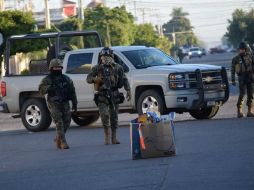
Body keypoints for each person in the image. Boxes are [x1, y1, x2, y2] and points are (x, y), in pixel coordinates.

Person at [86, 47, 131, 145]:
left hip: (114, 94)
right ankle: (107, 135)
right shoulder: (97, 68)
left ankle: (114, 137)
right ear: (101, 57)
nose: (105, 58)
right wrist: (95, 80)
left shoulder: (118, 67)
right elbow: (88, 78)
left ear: (112, 57)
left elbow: (124, 79)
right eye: (103, 56)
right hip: (102, 95)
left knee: (114, 117)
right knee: (104, 115)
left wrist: (128, 90)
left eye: (107, 56)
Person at [39, 58, 77, 149]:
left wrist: (75, 102)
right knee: (59, 122)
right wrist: (50, 88)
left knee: (67, 121)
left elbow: (72, 91)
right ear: (51, 68)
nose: (57, 69)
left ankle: (58, 137)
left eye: (59, 67)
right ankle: (63, 142)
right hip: (53, 103)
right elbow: (41, 90)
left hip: (64, 102)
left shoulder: (66, 79)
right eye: (55, 67)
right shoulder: (47, 79)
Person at [231, 42, 254, 118]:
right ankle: (239, 111)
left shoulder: (251, 57)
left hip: (250, 77)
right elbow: (232, 70)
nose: (241, 50)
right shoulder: (236, 59)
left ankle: (250, 111)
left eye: (243, 49)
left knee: (251, 94)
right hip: (242, 78)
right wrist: (233, 80)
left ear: (246, 49)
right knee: (242, 94)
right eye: (240, 49)